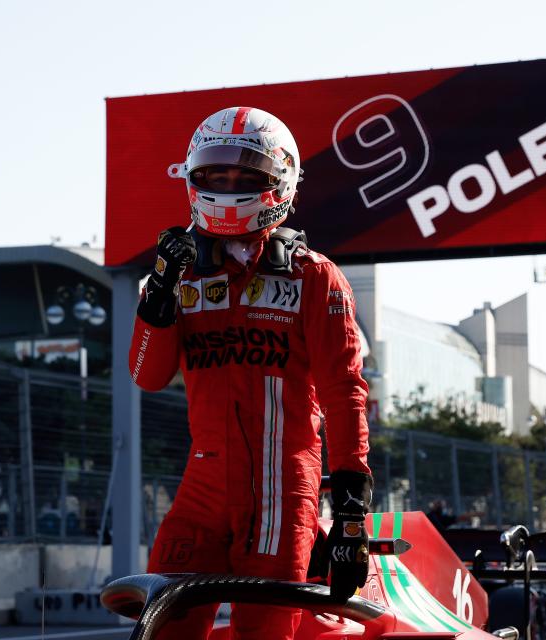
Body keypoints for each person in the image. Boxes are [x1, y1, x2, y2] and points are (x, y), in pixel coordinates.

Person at [128, 106, 374, 640]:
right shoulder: (176, 276)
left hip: (283, 493)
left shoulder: (314, 275)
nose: (228, 184)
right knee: (161, 629)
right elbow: (146, 376)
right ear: (192, 177)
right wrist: (160, 300)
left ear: (280, 180)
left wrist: (352, 512)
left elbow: (345, 393)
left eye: (246, 174)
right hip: (201, 487)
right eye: (216, 173)